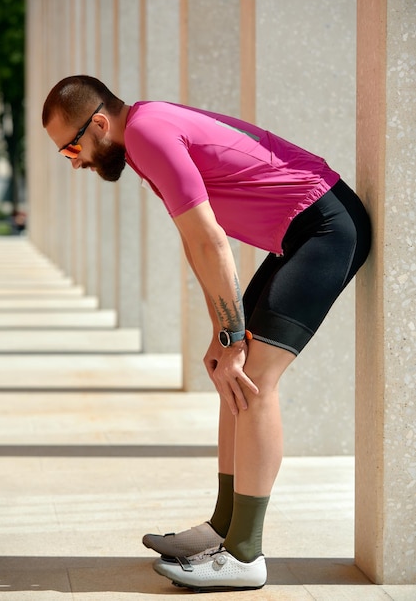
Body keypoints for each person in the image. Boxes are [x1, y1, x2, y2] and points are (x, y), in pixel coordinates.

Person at [42, 75, 371, 592]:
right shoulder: (145, 131)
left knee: (255, 379)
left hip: (325, 228)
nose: (75, 161)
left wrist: (231, 335)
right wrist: (224, 337)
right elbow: (199, 247)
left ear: (99, 124)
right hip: (300, 232)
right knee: (230, 373)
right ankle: (223, 527)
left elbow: (212, 242)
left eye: (71, 147)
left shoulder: (148, 134)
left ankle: (244, 555)